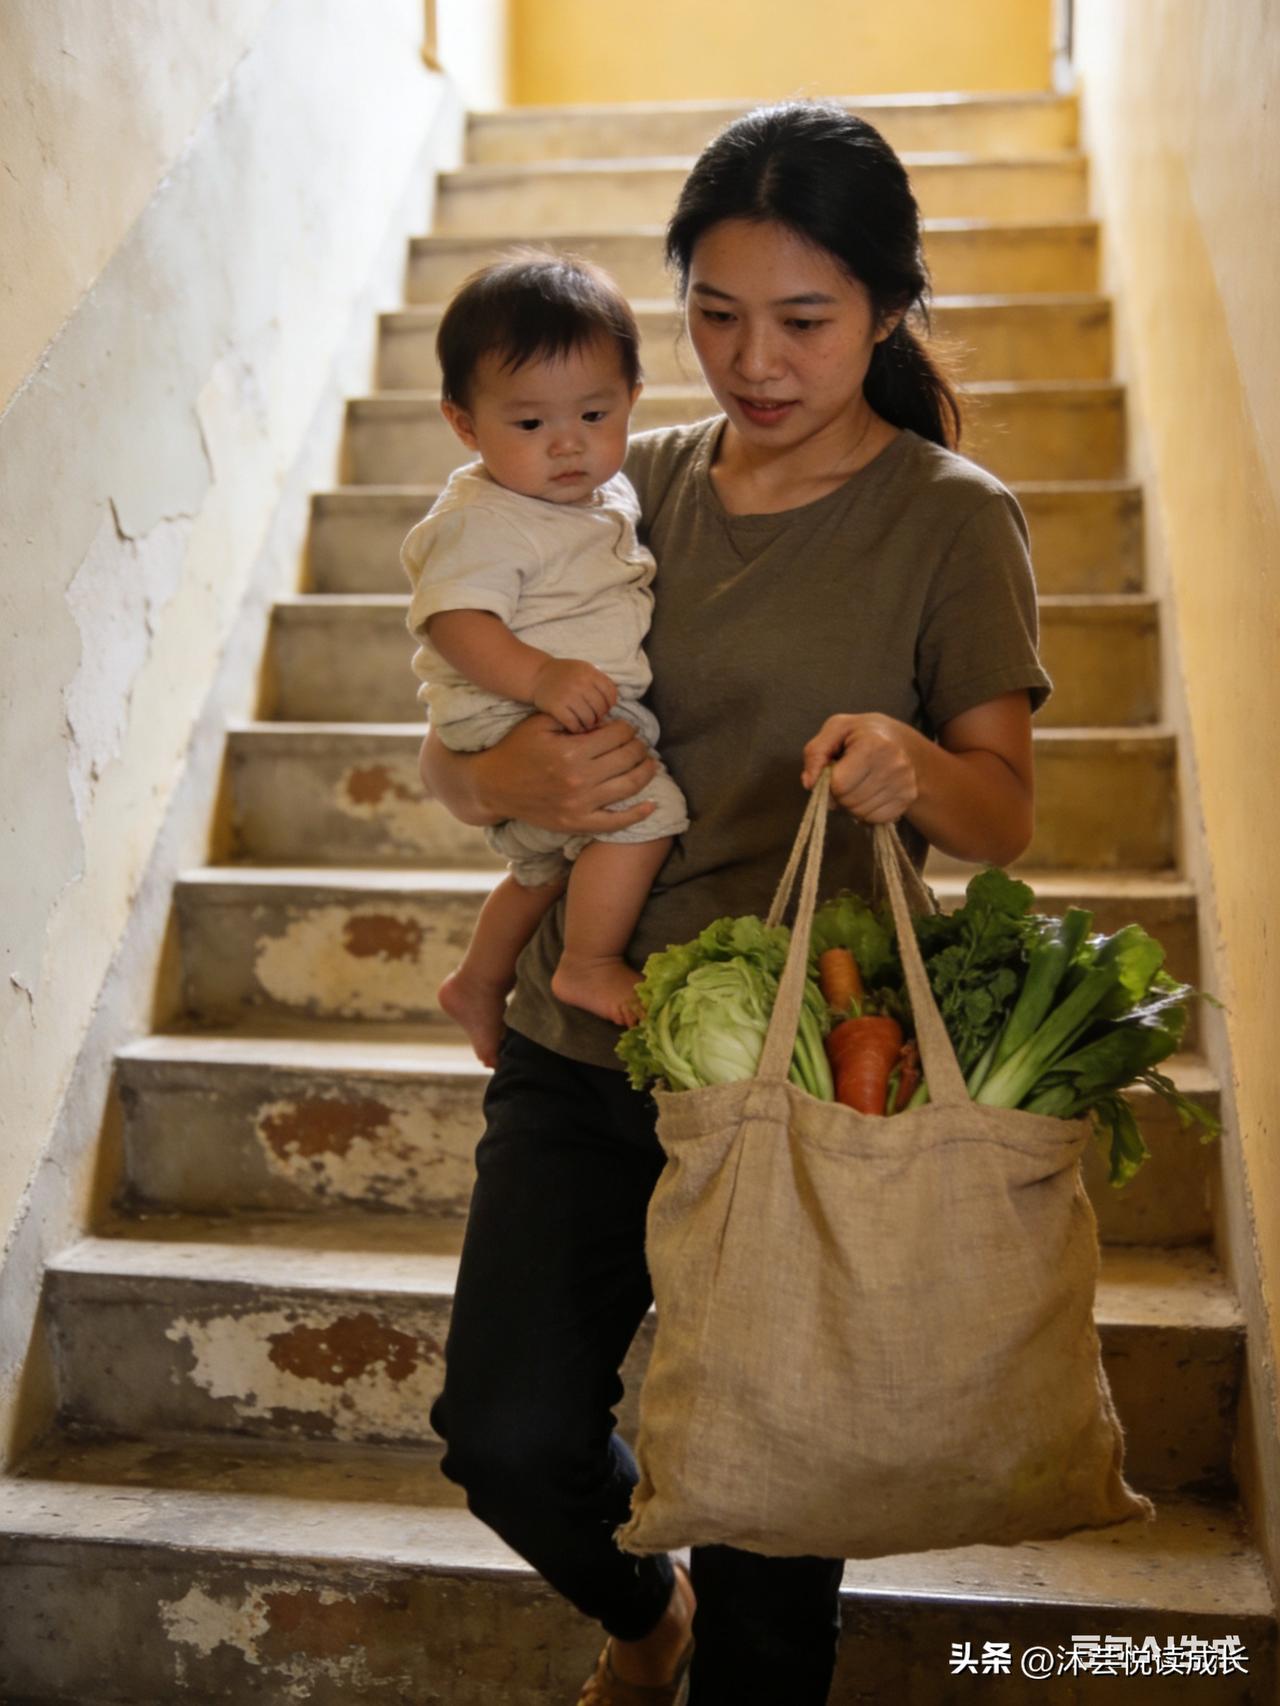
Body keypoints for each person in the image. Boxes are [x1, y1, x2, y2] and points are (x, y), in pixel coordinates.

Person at [419, 100, 1052, 1705]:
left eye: (804, 321)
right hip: (587, 1040)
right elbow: (453, 749)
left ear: (890, 308)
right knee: (505, 1435)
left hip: (805, 1075)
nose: (753, 361)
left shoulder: (951, 518)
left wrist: (915, 761)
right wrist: (503, 780)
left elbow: (1002, 813)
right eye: (713, 314)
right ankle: (648, 1615)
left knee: (776, 1529)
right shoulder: (611, 481)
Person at [401, 255, 690, 1066]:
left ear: (633, 397)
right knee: (644, 814)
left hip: (554, 704)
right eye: (529, 425)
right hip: (515, 705)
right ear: (465, 425)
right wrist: (539, 676)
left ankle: (477, 980)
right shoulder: (486, 518)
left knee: (547, 866)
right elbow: (454, 621)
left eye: (595, 414)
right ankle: (586, 964)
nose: (568, 444)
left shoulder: (605, 491)